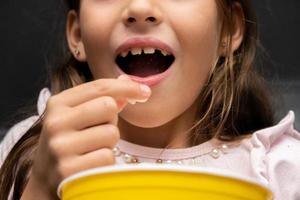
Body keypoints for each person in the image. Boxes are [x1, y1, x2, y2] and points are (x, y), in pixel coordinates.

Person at [0, 0, 299, 199]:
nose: (140, 7)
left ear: (228, 29)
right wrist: (39, 188)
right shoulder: (30, 151)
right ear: (77, 36)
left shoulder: (284, 169)